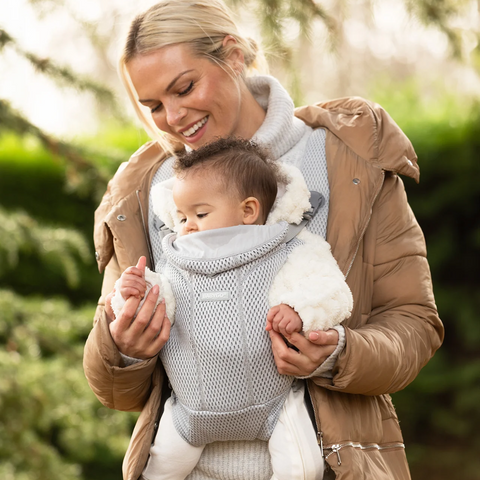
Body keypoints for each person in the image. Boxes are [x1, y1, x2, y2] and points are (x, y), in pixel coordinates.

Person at [83, 0, 444, 479]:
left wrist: (338, 351)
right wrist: (125, 349)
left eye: (184, 87)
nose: (172, 117)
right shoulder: (145, 191)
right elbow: (115, 388)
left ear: (233, 55)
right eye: (152, 106)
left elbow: (415, 324)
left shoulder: (347, 160)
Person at [110, 138, 353, 480]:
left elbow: (330, 289)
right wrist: (131, 296)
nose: (187, 227)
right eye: (180, 217)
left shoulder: (288, 249)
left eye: (200, 214)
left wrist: (300, 310)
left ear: (249, 211)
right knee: (159, 468)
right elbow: (157, 300)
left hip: (276, 402)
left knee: (302, 467)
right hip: (190, 411)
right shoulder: (176, 261)